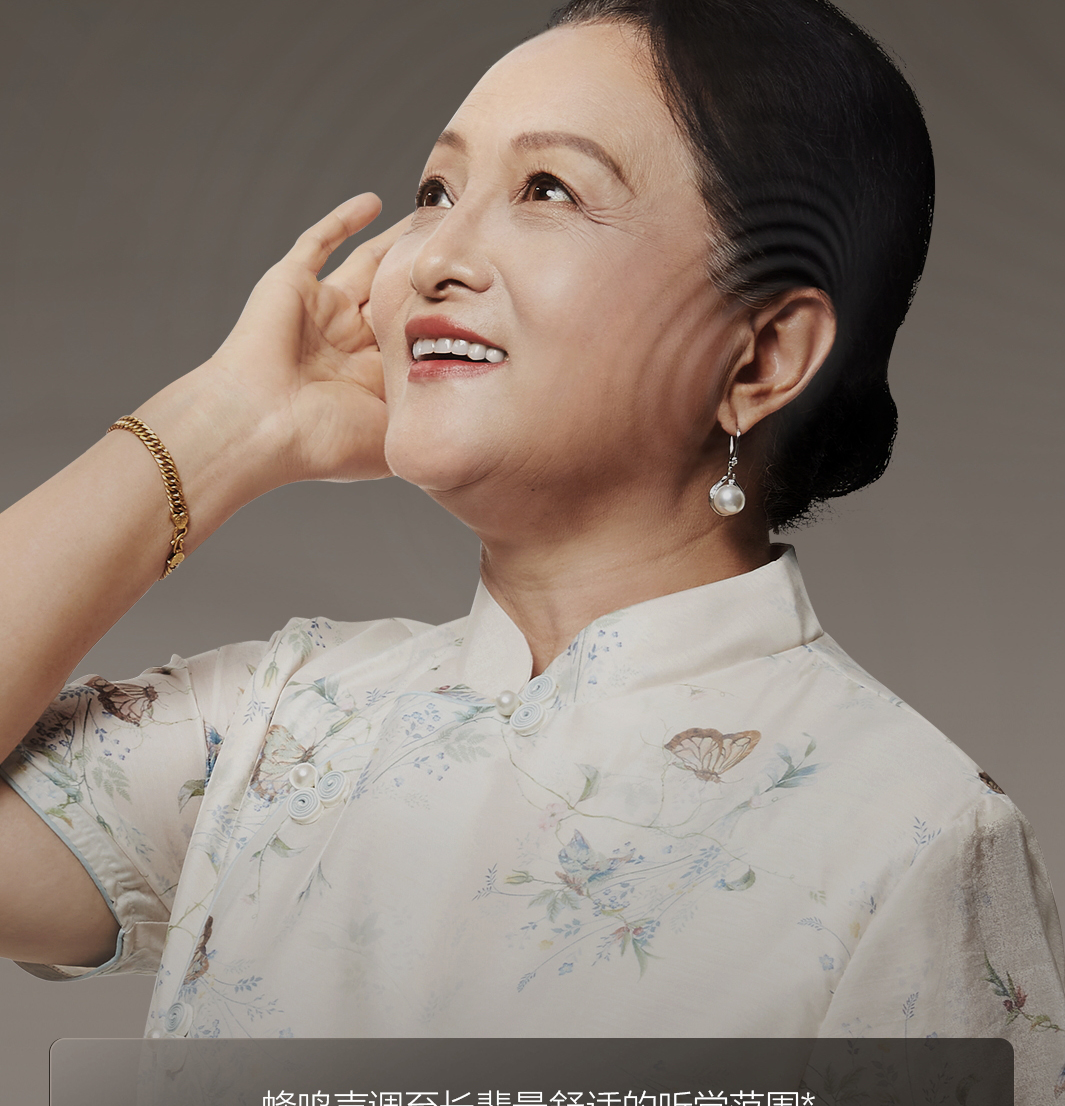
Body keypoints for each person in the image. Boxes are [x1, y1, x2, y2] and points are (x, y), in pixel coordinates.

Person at [1, 0, 1062, 1100]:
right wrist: (225, 425)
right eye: (435, 193)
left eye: (548, 190)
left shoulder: (911, 835)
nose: (429, 258)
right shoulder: (278, 726)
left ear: (759, 356)